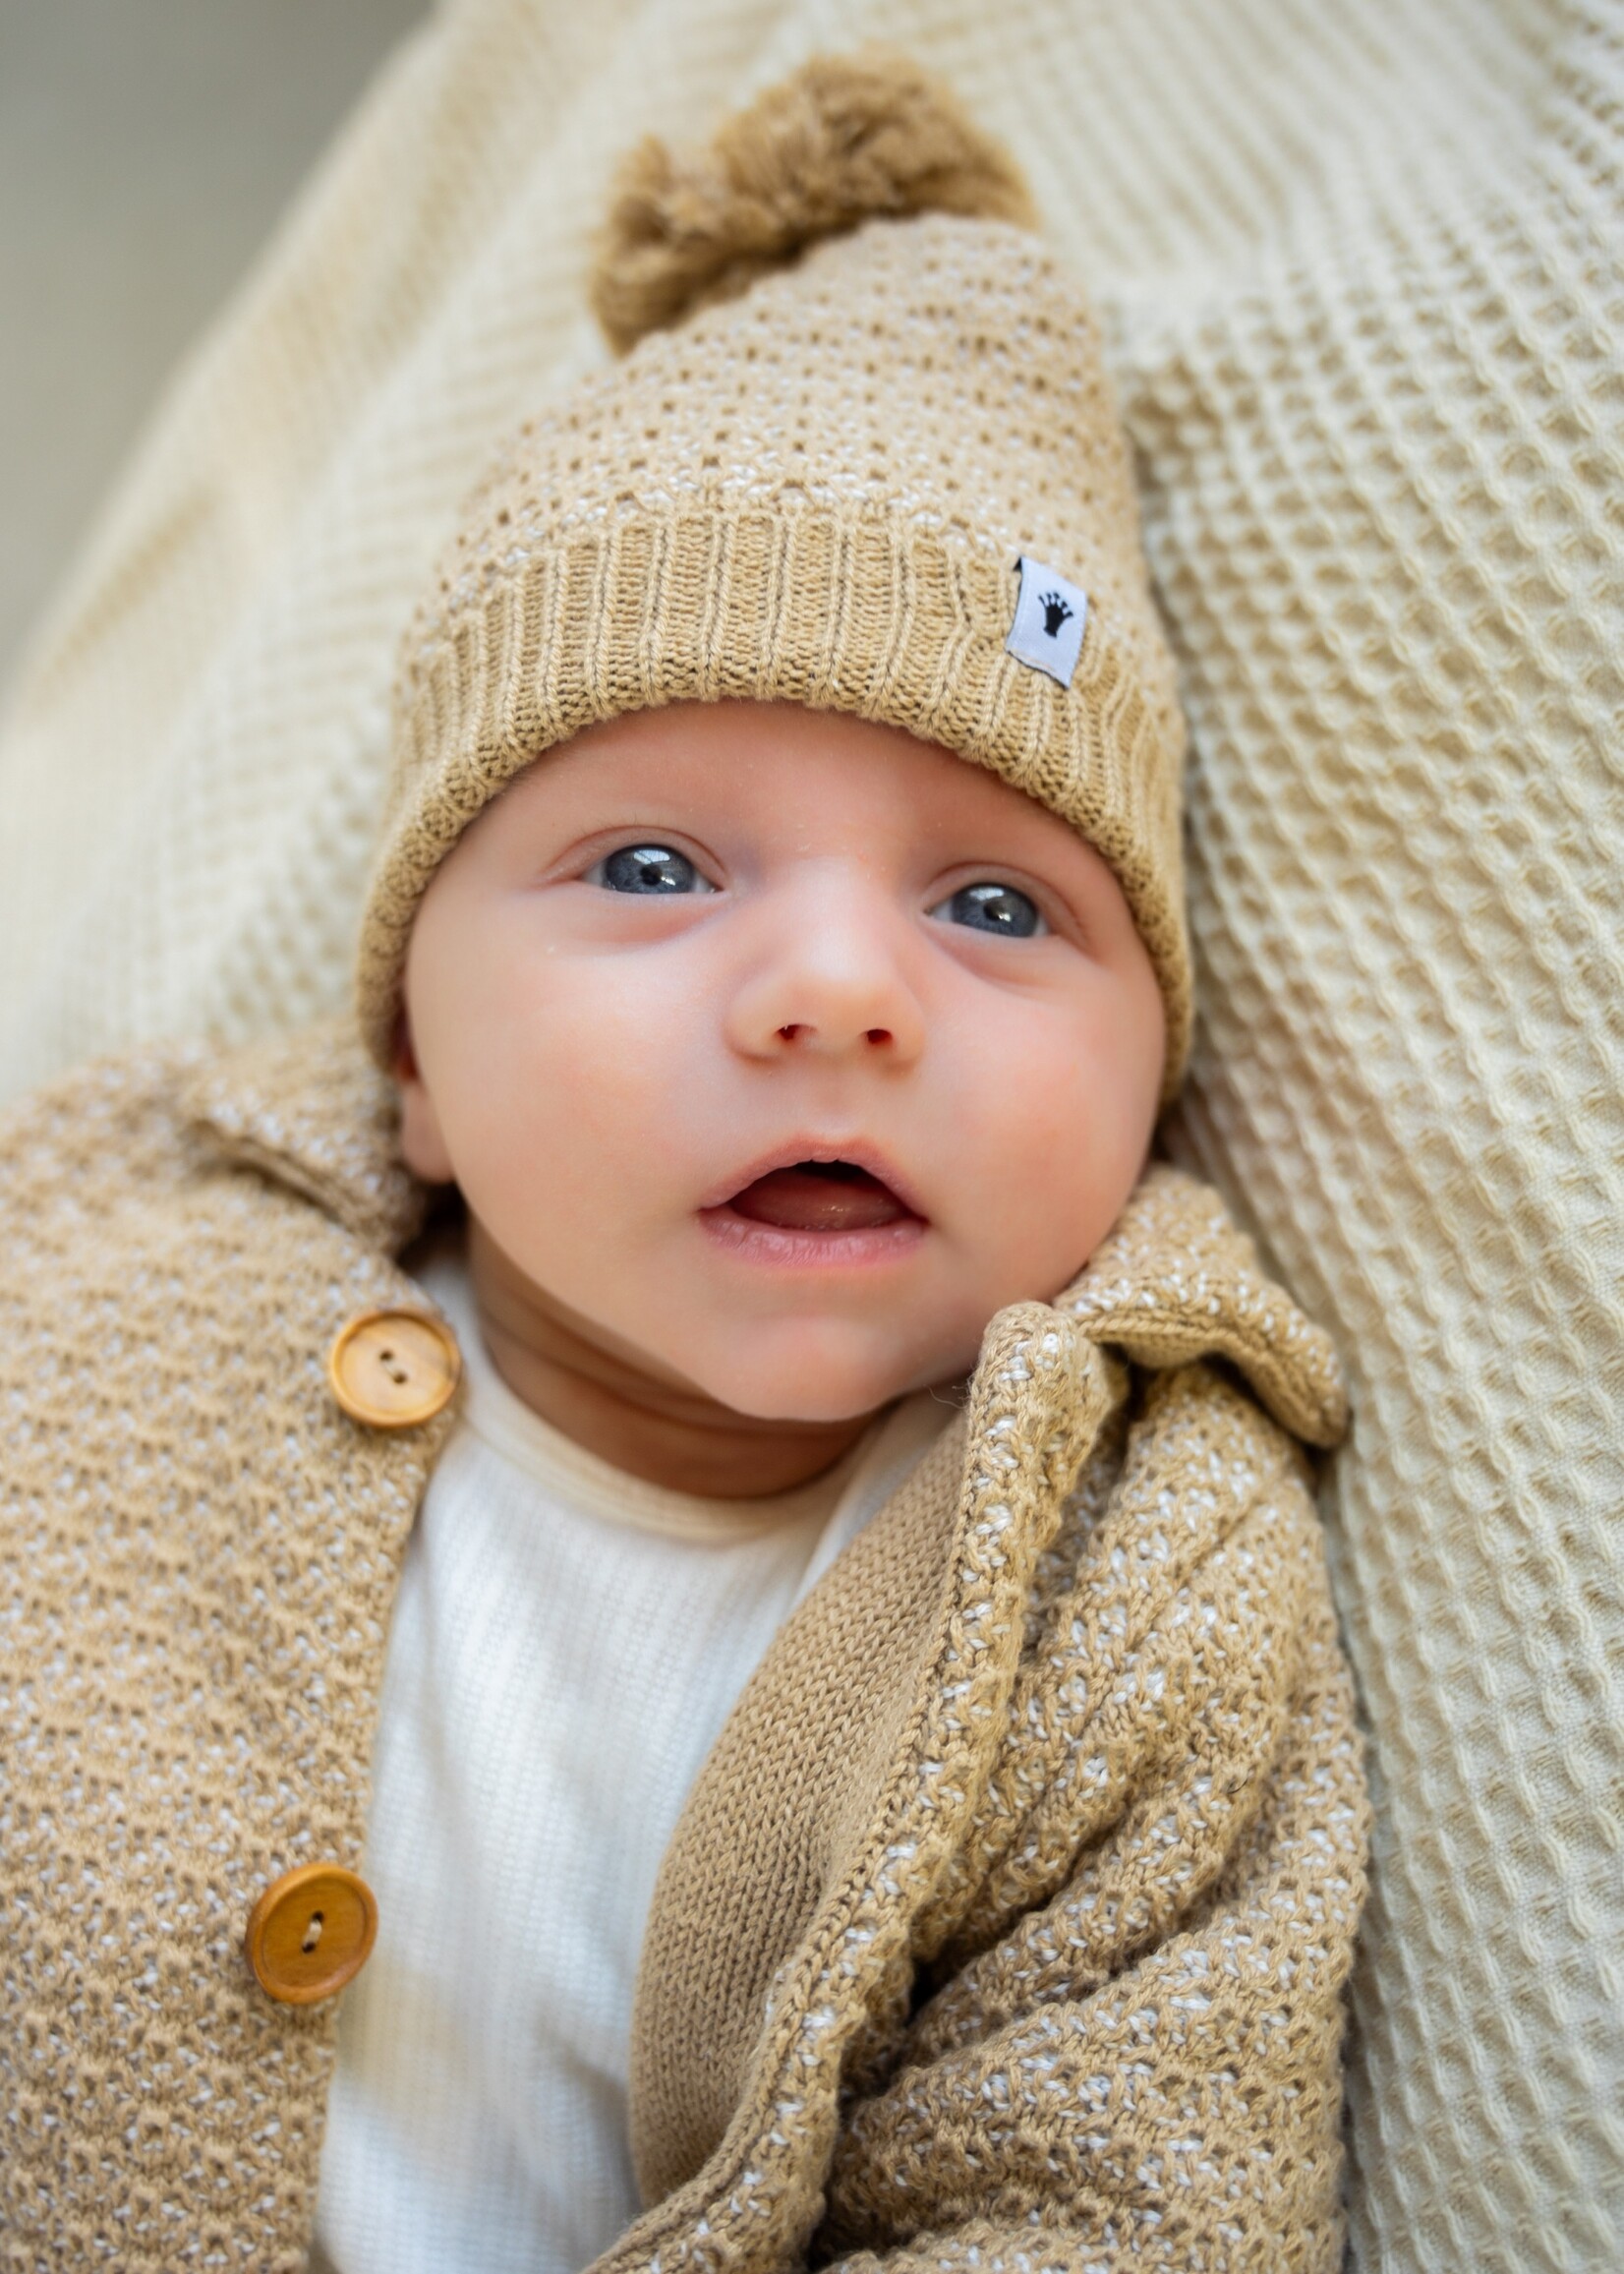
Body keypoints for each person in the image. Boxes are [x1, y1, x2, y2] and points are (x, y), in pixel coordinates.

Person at [0, 51, 1367, 2274]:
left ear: (1156, 1090)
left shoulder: (1139, 1587)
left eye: (998, 907)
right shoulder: (112, 1269)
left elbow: (1120, 2185)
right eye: (650, 865)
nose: (837, 992)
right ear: (414, 1063)